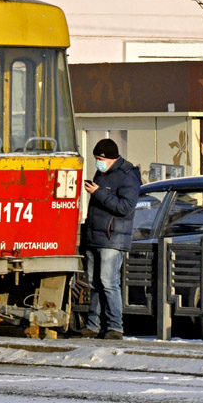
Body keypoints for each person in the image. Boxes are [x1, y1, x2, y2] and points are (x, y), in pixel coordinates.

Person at [79, 138, 141, 340]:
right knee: (94, 282)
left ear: (110, 158)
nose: (97, 162)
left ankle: (115, 327)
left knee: (108, 282)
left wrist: (97, 193)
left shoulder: (128, 176)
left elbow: (124, 208)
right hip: (95, 236)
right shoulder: (102, 173)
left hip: (113, 238)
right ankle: (93, 325)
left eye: (99, 159)